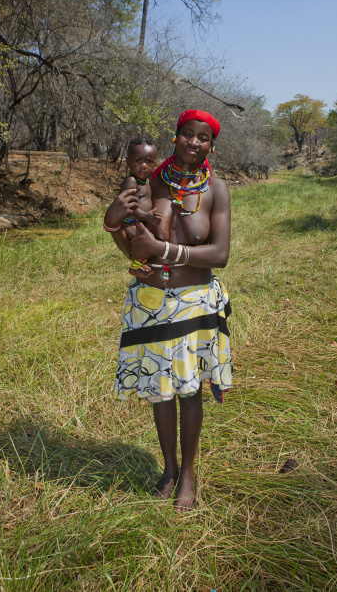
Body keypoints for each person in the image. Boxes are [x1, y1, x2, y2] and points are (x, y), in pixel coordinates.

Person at [103, 110, 232, 511]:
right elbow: (129, 237)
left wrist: (165, 250)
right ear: (174, 138)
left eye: (203, 138)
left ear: (211, 145)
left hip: (194, 302)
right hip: (151, 303)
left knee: (189, 392)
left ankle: (189, 475)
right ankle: (169, 468)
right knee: (161, 393)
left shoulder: (217, 190)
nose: (194, 143)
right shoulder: (150, 181)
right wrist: (113, 226)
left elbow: (220, 254)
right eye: (187, 135)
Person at [108, 137, 162, 278]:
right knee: (145, 241)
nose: (144, 165)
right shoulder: (131, 181)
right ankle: (135, 267)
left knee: (150, 241)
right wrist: (145, 215)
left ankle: (142, 263)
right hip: (130, 222)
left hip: (139, 222)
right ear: (128, 161)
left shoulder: (147, 182)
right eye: (138, 160)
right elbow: (129, 205)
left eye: (149, 162)